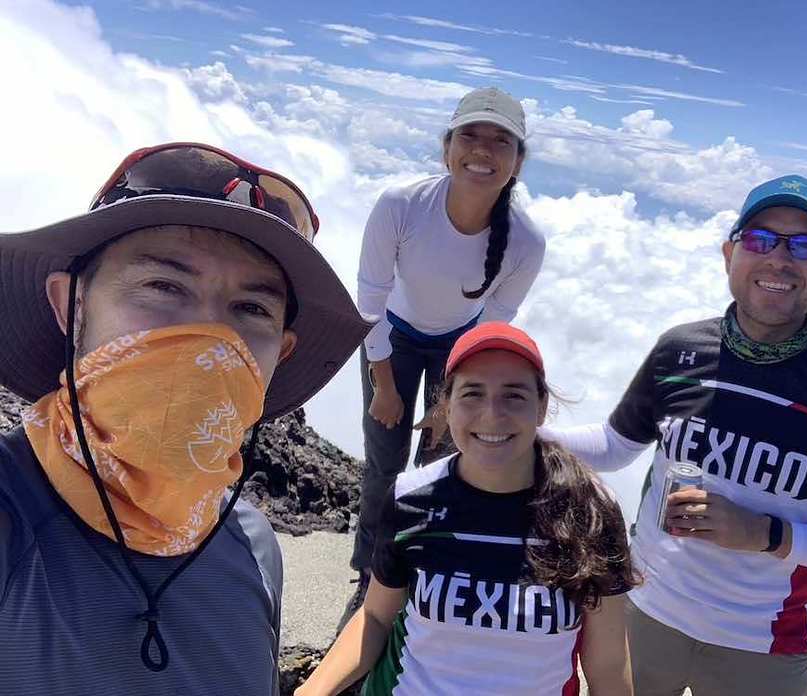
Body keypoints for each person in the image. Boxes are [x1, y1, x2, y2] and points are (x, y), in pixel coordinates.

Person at [0, 142, 370, 694]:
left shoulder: (254, 546)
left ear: (280, 355)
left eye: (252, 309)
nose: (209, 337)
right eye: (163, 287)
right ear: (70, 307)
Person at [541, 175, 807, 696]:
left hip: (762, 645)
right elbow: (614, 445)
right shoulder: (679, 351)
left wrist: (768, 536)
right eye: (761, 239)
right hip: (646, 613)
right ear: (728, 253)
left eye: (806, 245)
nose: (779, 258)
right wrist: (518, 434)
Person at [298, 322, 636, 696]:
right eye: (472, 393)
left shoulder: (589, 512)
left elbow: (606, 661)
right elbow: (377, 616)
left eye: (514, 395)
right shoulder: (411, 498)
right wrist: (312, 691)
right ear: (445, 406)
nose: (492, 414)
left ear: (541, 408)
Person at [347, 86, 546, 621]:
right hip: (387, 340)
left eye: (500, 141)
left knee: (439, 464)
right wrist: (385, 387)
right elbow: (368, 304)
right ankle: (368, 570)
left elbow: (490, 328)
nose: (482, 150)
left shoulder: (525, 242)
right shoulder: (401, 204)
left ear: (518, 161)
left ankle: (414, 567)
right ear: (446, 148)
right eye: (470, 136)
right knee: (385, 465)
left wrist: (446, 400)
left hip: (457, 351)